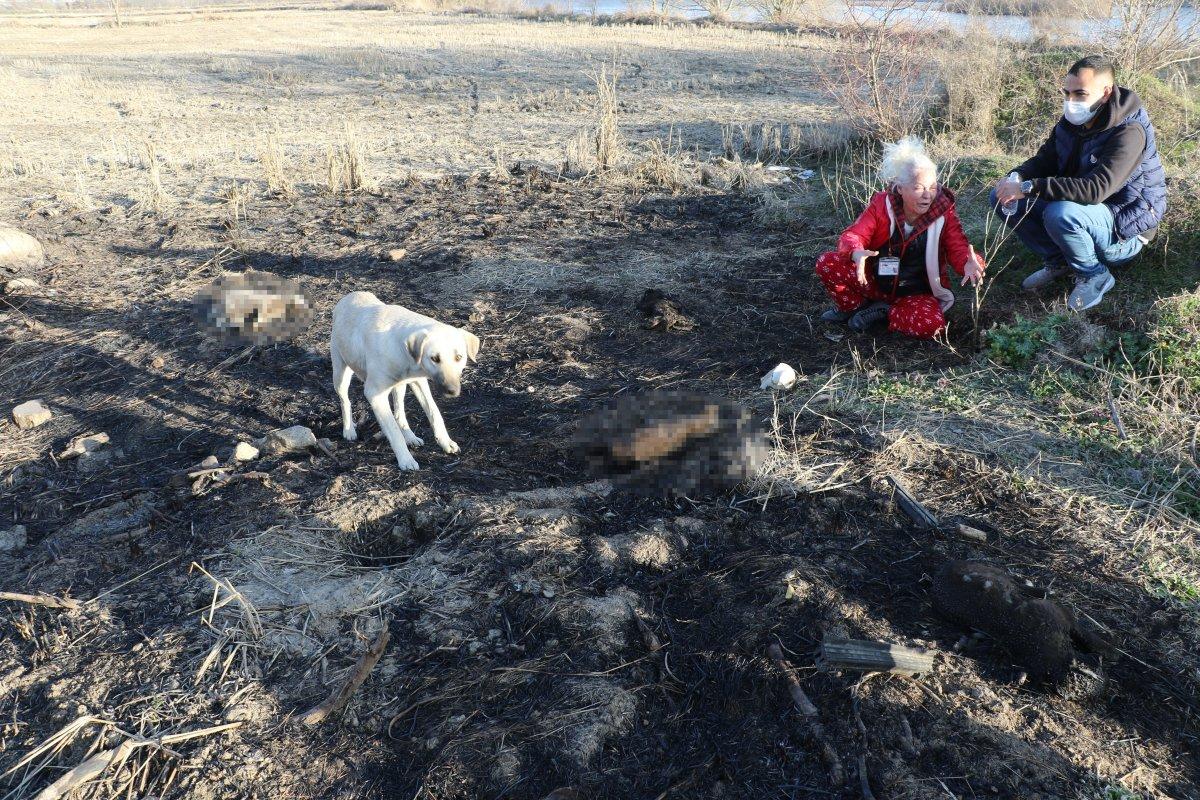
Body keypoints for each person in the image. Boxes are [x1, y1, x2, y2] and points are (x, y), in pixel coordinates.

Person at [991, 54, 1167, 311]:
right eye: (1067, 93)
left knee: (1059, 213)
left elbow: (1096, 190)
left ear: (1105, 93)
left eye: (1080, 94)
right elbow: (1045, 159)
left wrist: (1030, 187)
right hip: (1085, 213)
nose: (1071, 101)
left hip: (1123, 231)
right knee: (1002, 197)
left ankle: (1094, 275)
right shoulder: (1073, 121)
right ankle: (1059, 261)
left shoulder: (1129, 132)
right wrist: (1016, 177)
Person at [815, 137, 984, 338]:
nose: (927, 195)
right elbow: (854, 234)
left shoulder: (944, 213)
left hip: (917, 292)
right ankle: (854, 307)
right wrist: (856, 252)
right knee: (828, 262)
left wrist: (970, 264)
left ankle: (885, 312)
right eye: (918, 187)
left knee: (932, 325)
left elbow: (958, 247)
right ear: (900, 188)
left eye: (932, 187)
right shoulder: (881, 204)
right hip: (875, 281)